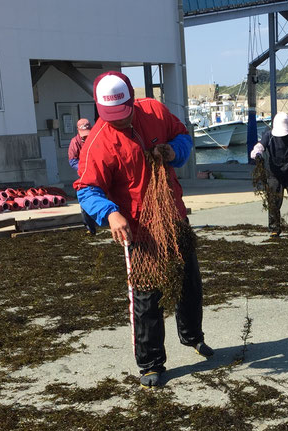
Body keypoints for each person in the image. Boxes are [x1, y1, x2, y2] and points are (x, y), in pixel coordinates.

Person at [75, 71, 212, 388]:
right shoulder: (98, 143)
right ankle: (151, 363)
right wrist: (110, 214)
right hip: (138, 228)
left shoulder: (155, 110)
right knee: (147, 296)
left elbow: (183, 138)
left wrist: (172, 151)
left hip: (173, 214)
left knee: (188, 280)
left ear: (132, 101)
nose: (120, 122)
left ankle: (191, 336)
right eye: (112, 117)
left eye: (124, 114)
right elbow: (87, 190)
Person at [249, 112, 288, 237]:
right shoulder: (269, 136)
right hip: (274, 174)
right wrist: (257, 154)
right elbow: (259, 147)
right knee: (274, 202)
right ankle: (274, 228)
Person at [68, 117, 97, 235]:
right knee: (85, 200)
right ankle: (90, 228)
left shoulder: (96, 139)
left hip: (99, 173)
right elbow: (72, 161)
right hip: (85, 175)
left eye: (88, 134)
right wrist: (84, 169)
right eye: (83, 136)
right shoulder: (74, 142)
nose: (86, 138)